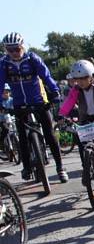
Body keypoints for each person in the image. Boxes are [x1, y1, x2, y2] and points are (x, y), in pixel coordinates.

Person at [0, 32, 68, 182]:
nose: (14, 53)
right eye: (9, 50)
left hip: (38, 100)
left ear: (22, 47)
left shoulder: (32, 59)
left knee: (50, 134)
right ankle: (26, 167)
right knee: (22, 137)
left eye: (16, 49)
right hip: (19, 103)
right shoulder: (4, 63)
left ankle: (60, 167)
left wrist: (55, 92)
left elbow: (46, 76)